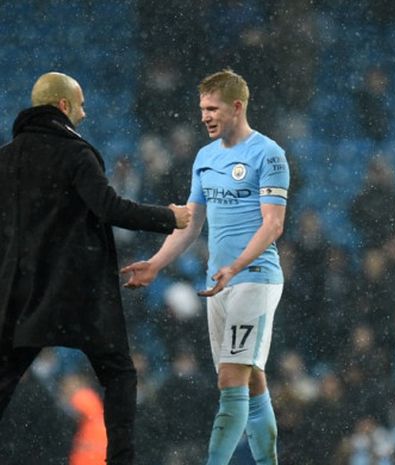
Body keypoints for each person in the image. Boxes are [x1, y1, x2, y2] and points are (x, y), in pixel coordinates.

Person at [0, 72, 191, 465]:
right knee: (118, 373)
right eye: (81, 104)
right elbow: (109, 208)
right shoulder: (76, 153)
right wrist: (169, 217)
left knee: (5, 375)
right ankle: (121, 460)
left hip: (22, 292)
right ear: (64, 107)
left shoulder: (6, 157)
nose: (85, 113)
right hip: (77, 291)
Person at [121, 69, 289, 465]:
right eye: (201, 109)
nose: (205, 117)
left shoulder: (269, 154)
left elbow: (274, 224)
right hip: (221, 282)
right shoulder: (205, 157)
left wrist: (236, 266)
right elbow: (191, 223)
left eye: (212, 109)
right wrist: (157, 264)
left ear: (236, 107)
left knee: (230, 380)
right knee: (251, 382)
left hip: (255, 279)